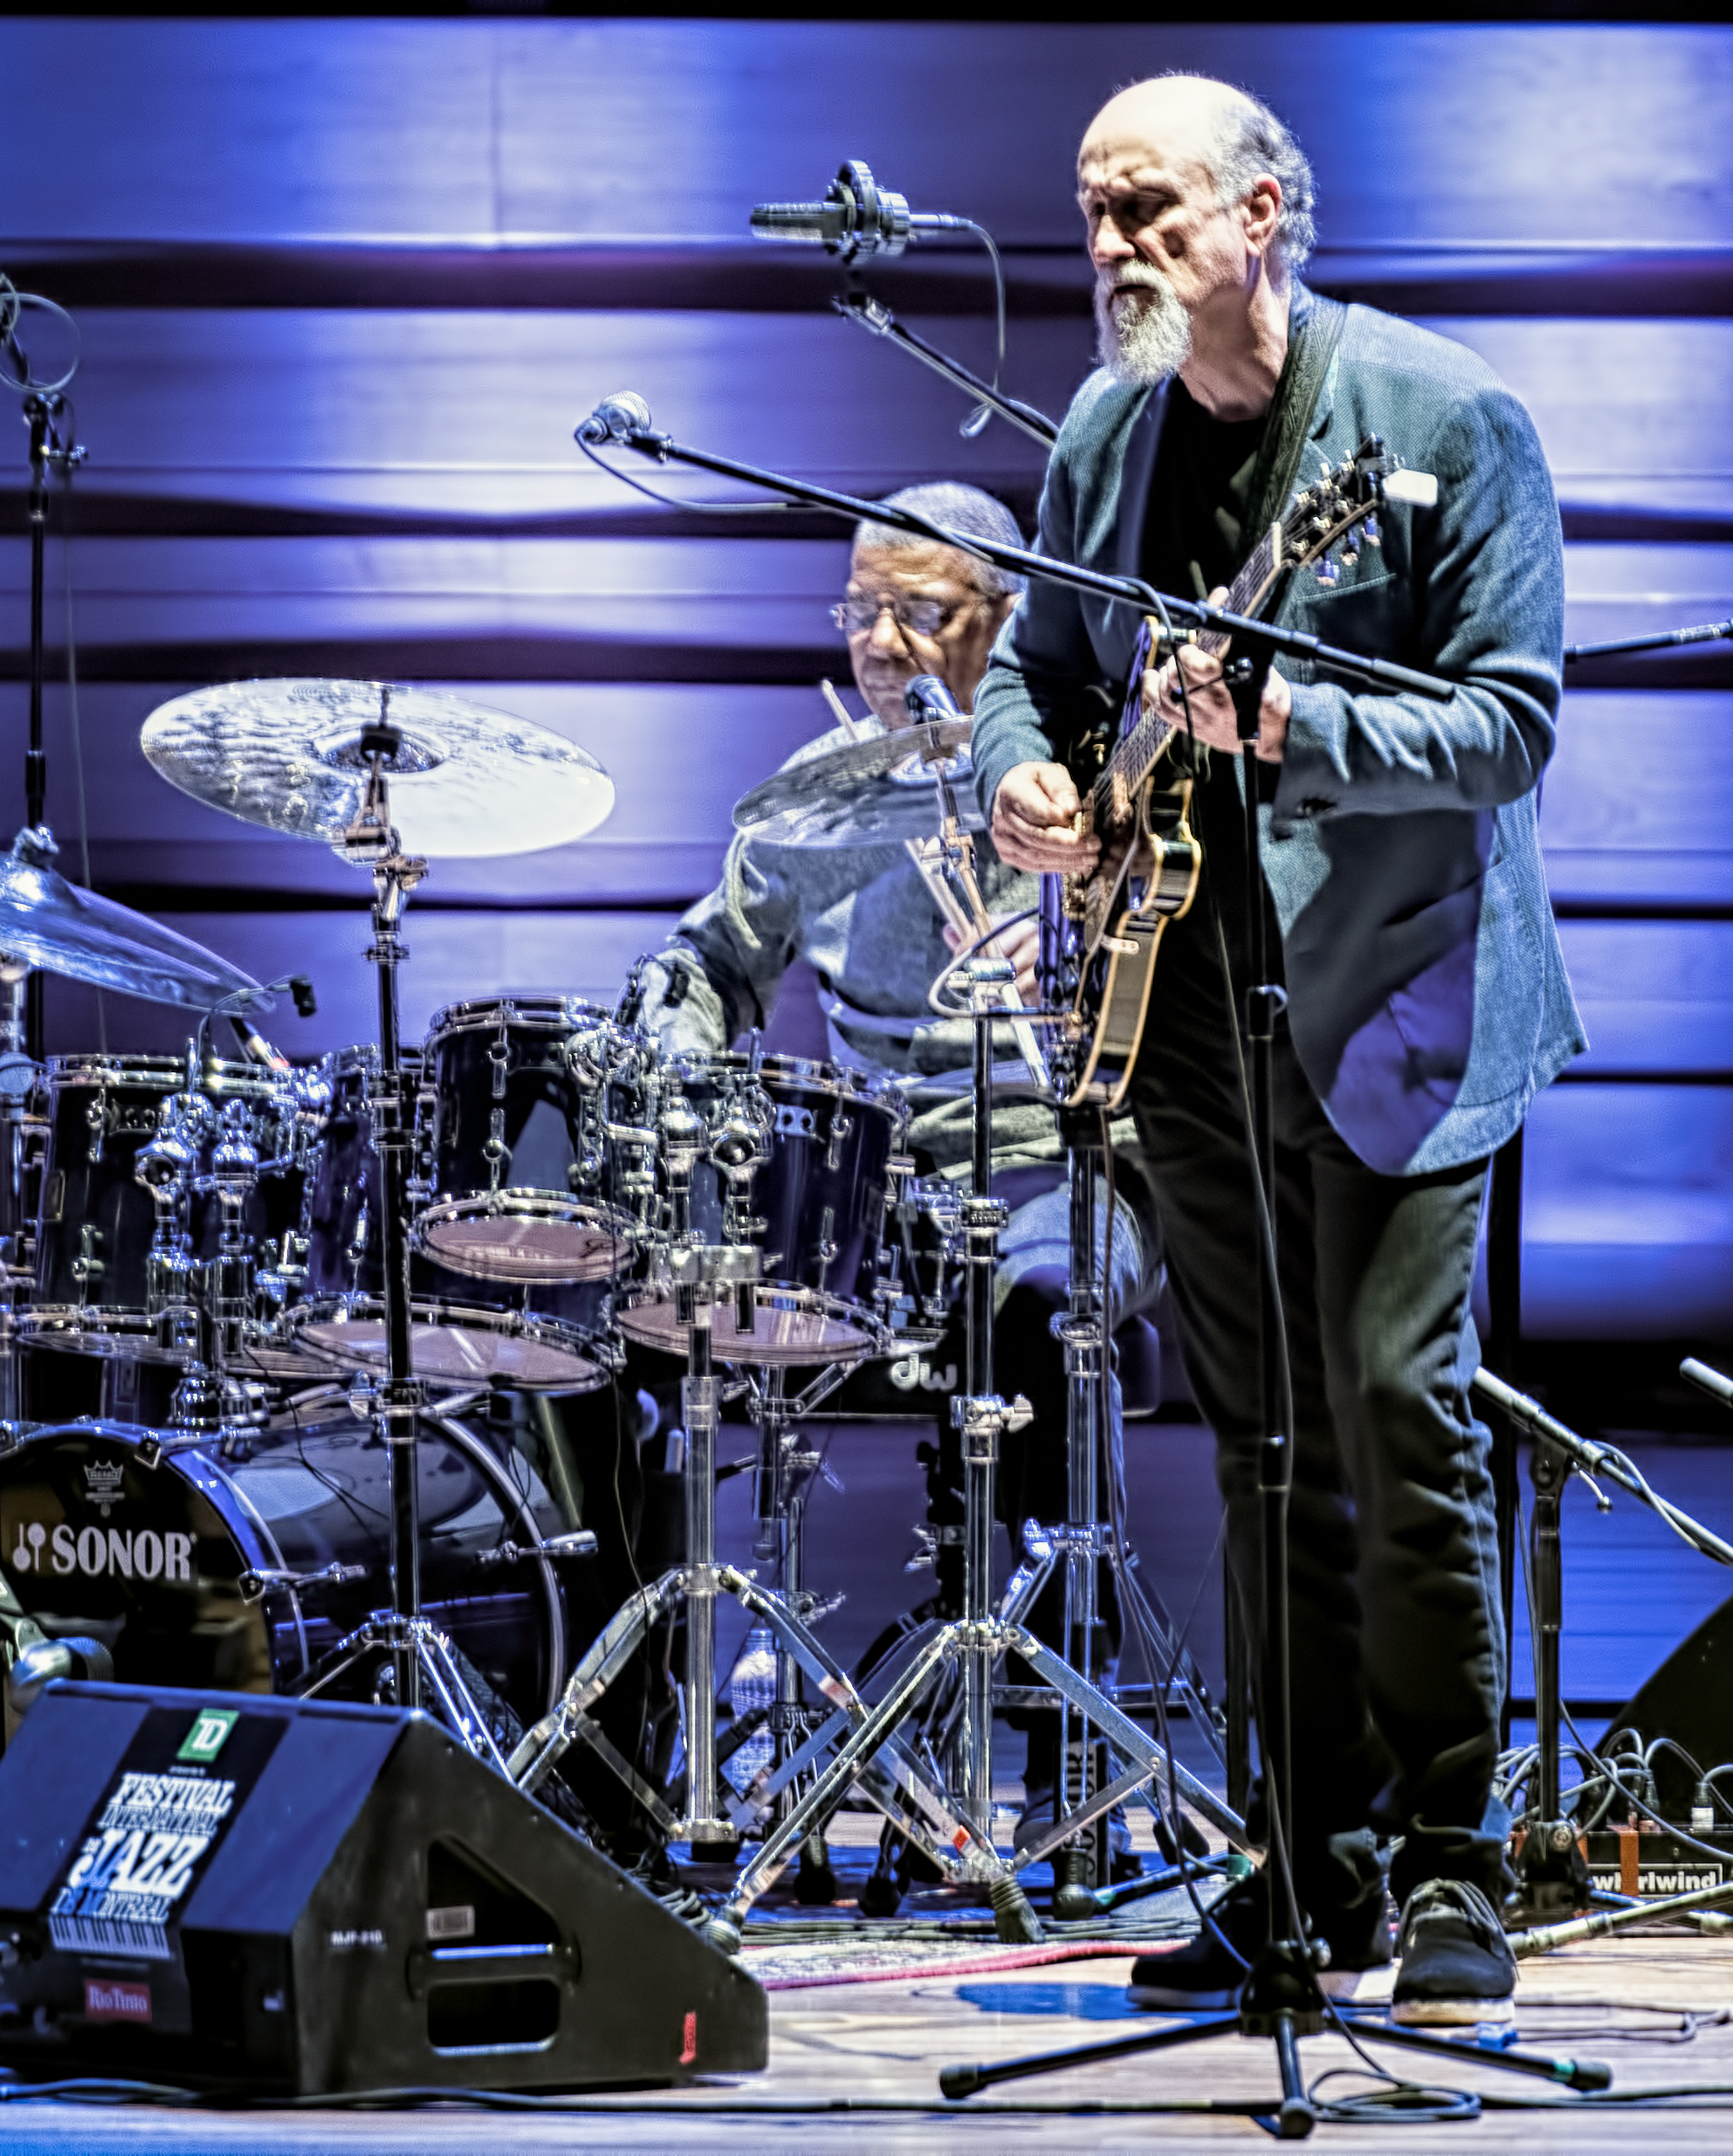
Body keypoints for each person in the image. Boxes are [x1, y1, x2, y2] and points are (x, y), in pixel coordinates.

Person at [974, 73, 1583, 2026]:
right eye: (1089, 211)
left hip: (1401, 1004)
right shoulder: (1104, 430)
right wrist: (1029, 785)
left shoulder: (1442, 420)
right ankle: (1301, 1866)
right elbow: (1027, 666)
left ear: (1264, 214)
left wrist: (1285, 727)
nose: (1109, 245)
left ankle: (1450, 1857)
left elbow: (1508, 728)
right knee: (1260, 1455)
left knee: (1398, 1424)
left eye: (1145, 206)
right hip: (1178, 1007)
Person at [636, 481, 1166, 1883]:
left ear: (1000, 622)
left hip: (1059, 1166)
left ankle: (1066, 1782)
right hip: (874, 1198)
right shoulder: (810, 805)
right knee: (637, 1333)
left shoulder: (1082, 787)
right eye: (859, 611)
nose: (880, 641)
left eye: (917, 612)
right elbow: (703, 964)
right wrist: (670, 1053)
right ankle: (631, 1762)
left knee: (1050, 1310)